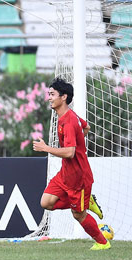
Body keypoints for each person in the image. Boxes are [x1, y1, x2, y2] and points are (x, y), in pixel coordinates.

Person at [33, 78, 108, 250]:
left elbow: (70, 152)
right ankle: (86, 201)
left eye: (52, 95)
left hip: (78, 177)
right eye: (49, 94)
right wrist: (79, 140)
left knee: (78, 214)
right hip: (66, 173)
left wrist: (46, 148)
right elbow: (86, 127)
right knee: (46, 202)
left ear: (64, 97)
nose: (49, 98)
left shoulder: (68, 121)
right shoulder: (67, 117)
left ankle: (103, 242)